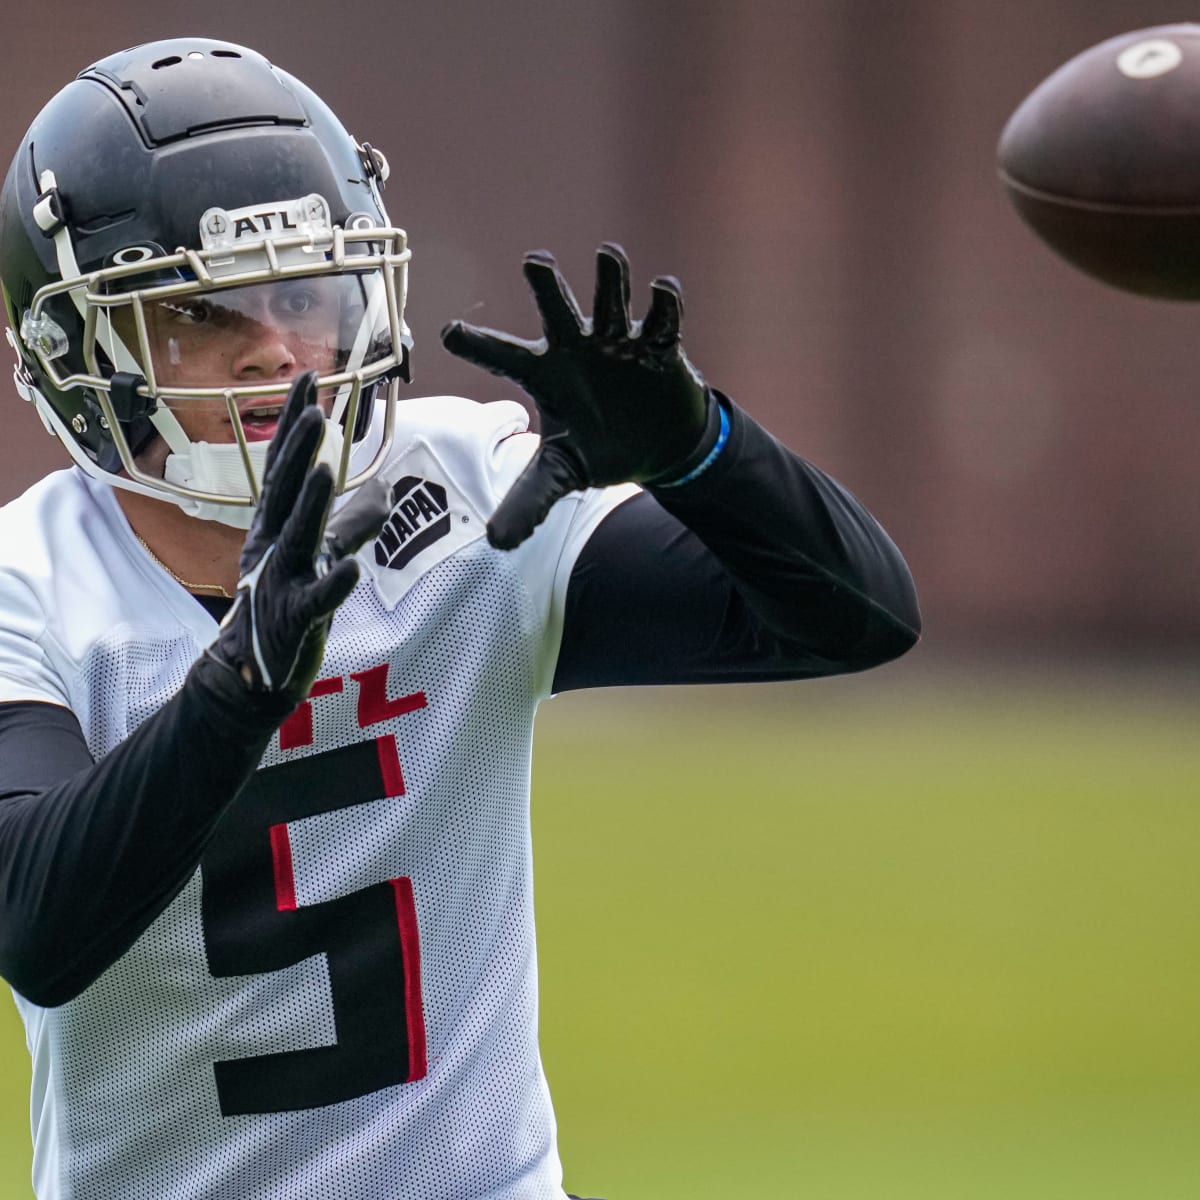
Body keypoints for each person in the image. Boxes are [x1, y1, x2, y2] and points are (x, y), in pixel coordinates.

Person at [0, 36, 920, 1200]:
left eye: (302, 293)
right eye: (205, 313)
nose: (279, 350)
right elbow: (38, 926)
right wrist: (233, 698)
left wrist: (703, 451)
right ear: (83, 355)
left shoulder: (455, 487)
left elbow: (856, 618)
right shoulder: (27, 586)